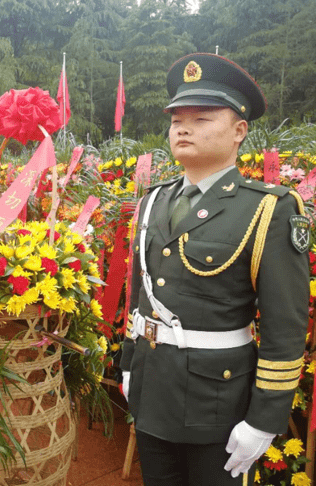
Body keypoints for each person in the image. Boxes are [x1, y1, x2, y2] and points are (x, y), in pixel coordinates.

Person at [120, 53, 310, 486]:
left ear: (239, 131)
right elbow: (140, 297)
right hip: (153, 391)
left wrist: (264, 420)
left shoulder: (268, 209)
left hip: (219, 404)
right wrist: (130, 367)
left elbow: (285, 327)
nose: (183, 128)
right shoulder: (154, 200)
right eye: (176, 120)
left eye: (202, 118)